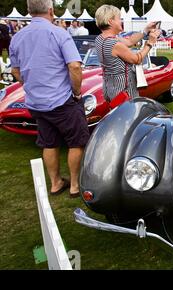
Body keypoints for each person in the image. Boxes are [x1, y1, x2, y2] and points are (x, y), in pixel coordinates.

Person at [9, 0, 89, 198]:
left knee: (49, 143)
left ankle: (55, 183)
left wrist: (29, 85)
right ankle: (74, 185)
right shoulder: (59, 33)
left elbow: (16, 71)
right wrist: (77, 92)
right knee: (76, 142)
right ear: (51, 10)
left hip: (36, 102)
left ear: (29, 11)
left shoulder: (17, 37)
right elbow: (75, 67)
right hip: (62, 100)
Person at [94, 5, 160, 102]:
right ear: (110, 21)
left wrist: (145, 30)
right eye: (119, 18)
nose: (121, 21)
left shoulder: (100, 38)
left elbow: (129, 41)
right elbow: (137, 59)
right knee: (128, 116)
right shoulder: (115, 44)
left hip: (109, 88)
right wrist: (150, 43)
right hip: (123, 92)